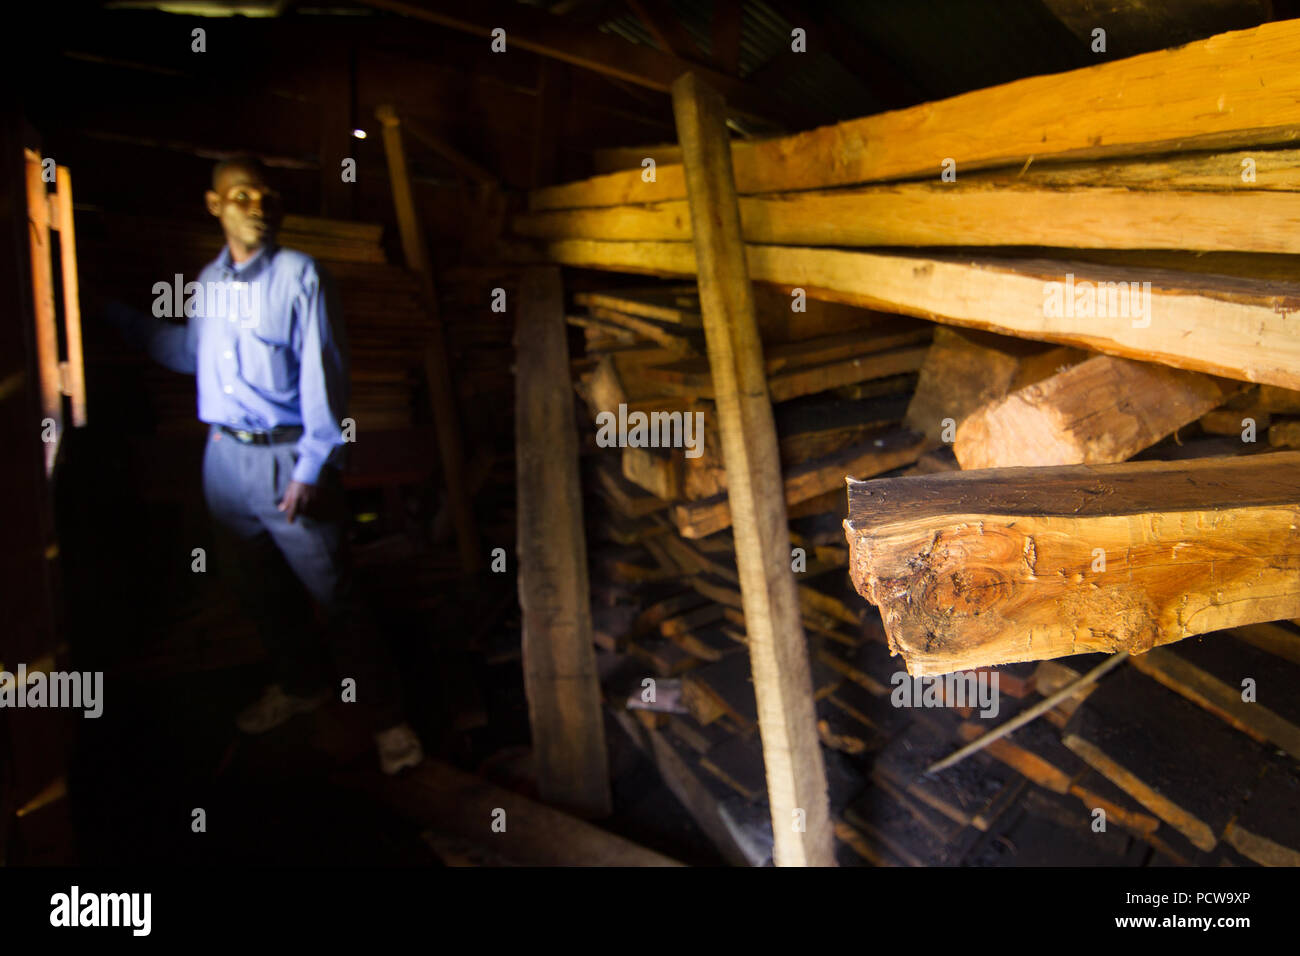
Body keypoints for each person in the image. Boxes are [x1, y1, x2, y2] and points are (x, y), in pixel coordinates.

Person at [102, 155, 423, 775]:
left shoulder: (302, 276)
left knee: (336, 595)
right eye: (242, 196)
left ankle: (388, 720)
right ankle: (302, 686)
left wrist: (309, 469)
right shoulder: (207, 284)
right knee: (257, 590)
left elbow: (325, 378)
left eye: (267, 197)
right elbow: (187, 353)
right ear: (214, 205)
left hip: (286, 461)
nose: (258, 207)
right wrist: (112, 319)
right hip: (223, 460)